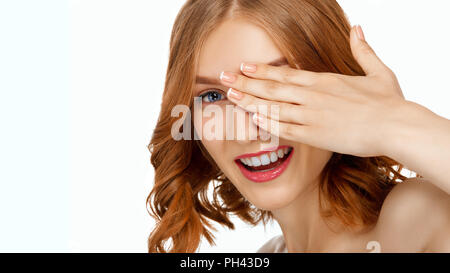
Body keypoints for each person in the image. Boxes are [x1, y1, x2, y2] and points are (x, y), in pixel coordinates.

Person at [147, 0, 450, 253]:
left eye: (275, 86)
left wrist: (395, 122)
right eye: (212, 96)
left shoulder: (415, 219)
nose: (247, 130)